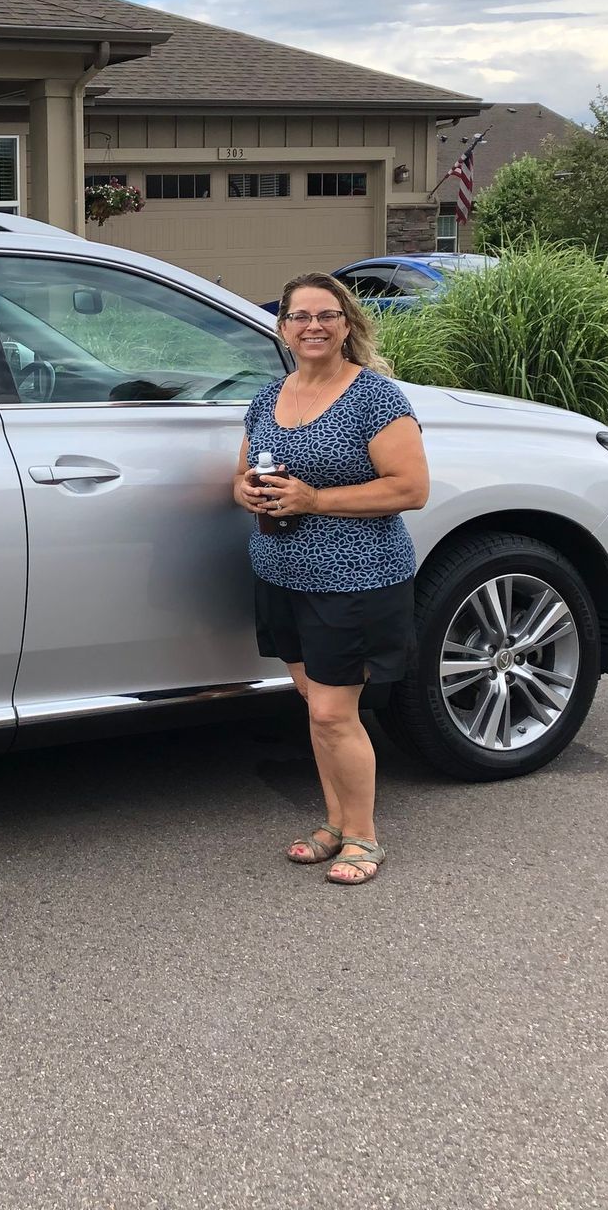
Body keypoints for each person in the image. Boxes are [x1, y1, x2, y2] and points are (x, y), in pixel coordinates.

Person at [234, 273, 430, 885]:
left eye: (327, 315)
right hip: (281, 574)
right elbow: (242, 473)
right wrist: (245, 492)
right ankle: (335, 824)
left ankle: (363, 837)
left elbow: (411, 488)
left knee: (332, 713)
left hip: (355, 578)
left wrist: (315, 500)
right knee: (316, 707)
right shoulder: (268, 398)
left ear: (347, 325)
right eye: (300, 316)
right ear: (283, 328)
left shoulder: (376, 398)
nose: (313, 326)